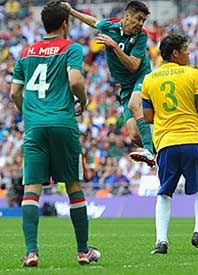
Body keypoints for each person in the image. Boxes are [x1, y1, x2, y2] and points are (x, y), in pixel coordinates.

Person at [9, 0, 100, 267]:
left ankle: (31, 252)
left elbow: (15, 92)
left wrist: (30, 114)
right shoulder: (71, 47)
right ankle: (83, 251)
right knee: (73, 186)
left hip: (35, 127)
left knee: (31, 189)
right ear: (65, 23)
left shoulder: (26, 53)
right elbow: (75, 80)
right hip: (63, 123)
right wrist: (82, 100)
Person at [141, 34, 198, 254]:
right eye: (186, 49)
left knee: (164, 192)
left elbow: (148, 117)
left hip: (165, 142)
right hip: (193, 139)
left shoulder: (150, 79)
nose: (189, 53)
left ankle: (161, 241)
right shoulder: (193, 74)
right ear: (175, 53)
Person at [65, 1, 155, 166]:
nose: (141, 23)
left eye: (143, 20)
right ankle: (161, 151)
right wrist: (72, 11)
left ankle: (149, 152)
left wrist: (114, 46)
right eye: (139, 18)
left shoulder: (141, 35)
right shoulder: (110, 26)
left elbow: (134, 66)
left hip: (142, 78)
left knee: (134, 105)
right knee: (135, 135)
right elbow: (93, 22)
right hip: (125, 87)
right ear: (127, 16)